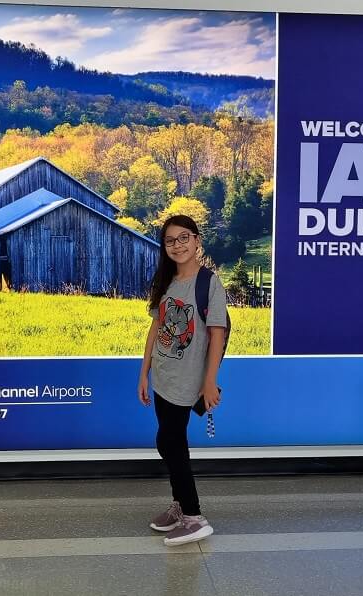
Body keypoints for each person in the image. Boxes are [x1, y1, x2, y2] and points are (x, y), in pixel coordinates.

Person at [138, 214, 228, 547]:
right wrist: (143, 372)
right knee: (167, 441)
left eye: (184, 238)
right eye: (170, 240)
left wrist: (210, 382)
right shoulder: (165, 281)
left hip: (189, 380)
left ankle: (193, 516)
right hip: (162, 376)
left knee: (174, 445)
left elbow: (217, 334)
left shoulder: (209, 283)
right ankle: (180, 505)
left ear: (197, 240)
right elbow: (156, 328)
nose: (178, 245)